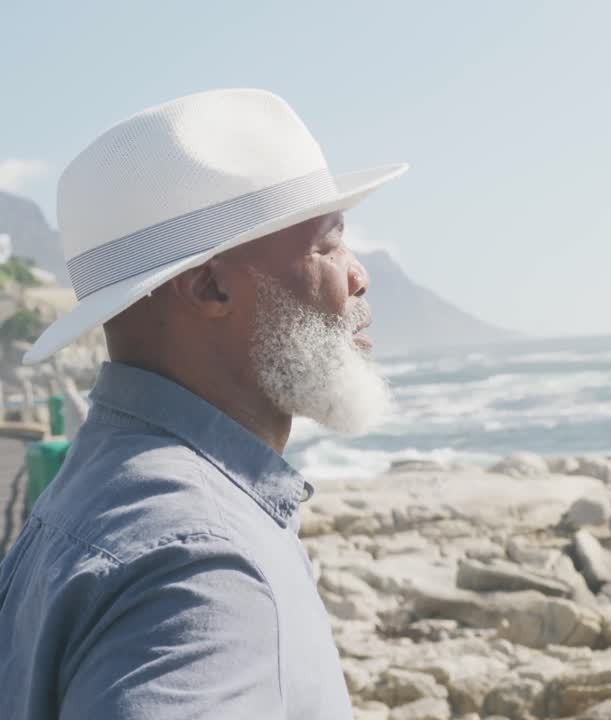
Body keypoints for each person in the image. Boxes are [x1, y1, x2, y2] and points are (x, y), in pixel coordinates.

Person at [0, 88, 407, 718]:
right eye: (328, 245)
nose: (358, 275)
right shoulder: (202, 568)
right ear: (211, 286)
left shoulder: (99, 491)